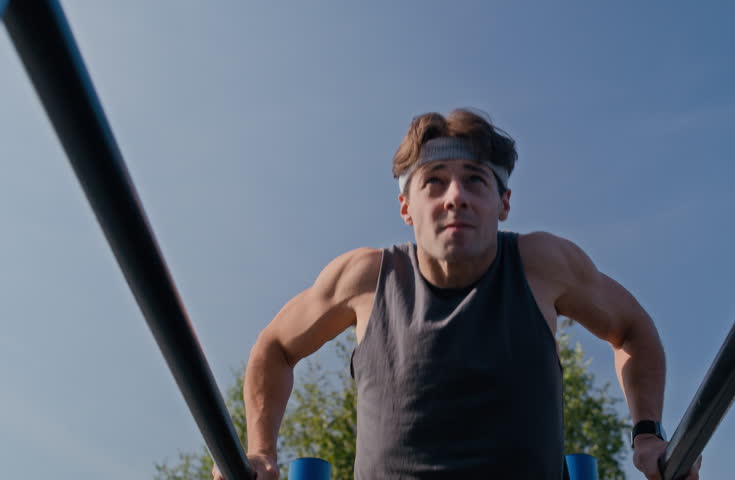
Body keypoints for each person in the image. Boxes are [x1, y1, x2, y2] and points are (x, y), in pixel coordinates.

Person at [212, 109, 701, 479]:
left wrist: (647, 433)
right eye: (434, 181)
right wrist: (260, 451)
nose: (455, 197)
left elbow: (632, 329)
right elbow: (274, 348)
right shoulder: (365, 277)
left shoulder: (541, 264)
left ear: (503, 203)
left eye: (474, 180)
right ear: (406, 207)